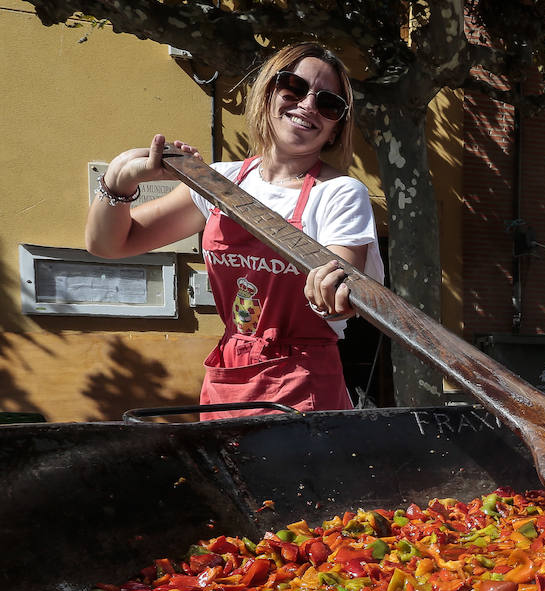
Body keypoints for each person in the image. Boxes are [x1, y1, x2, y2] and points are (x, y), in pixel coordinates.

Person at [86, 43, 383, 420]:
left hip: (301, 380)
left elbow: (338, 298)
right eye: (293, 87)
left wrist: (335, 289)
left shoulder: (340, 192)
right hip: (229, 372)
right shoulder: (220, 182)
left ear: (335, 129)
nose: (308, 105)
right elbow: (108, 243)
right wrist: (120, 179)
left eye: (328, 104)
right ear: (267, 93)